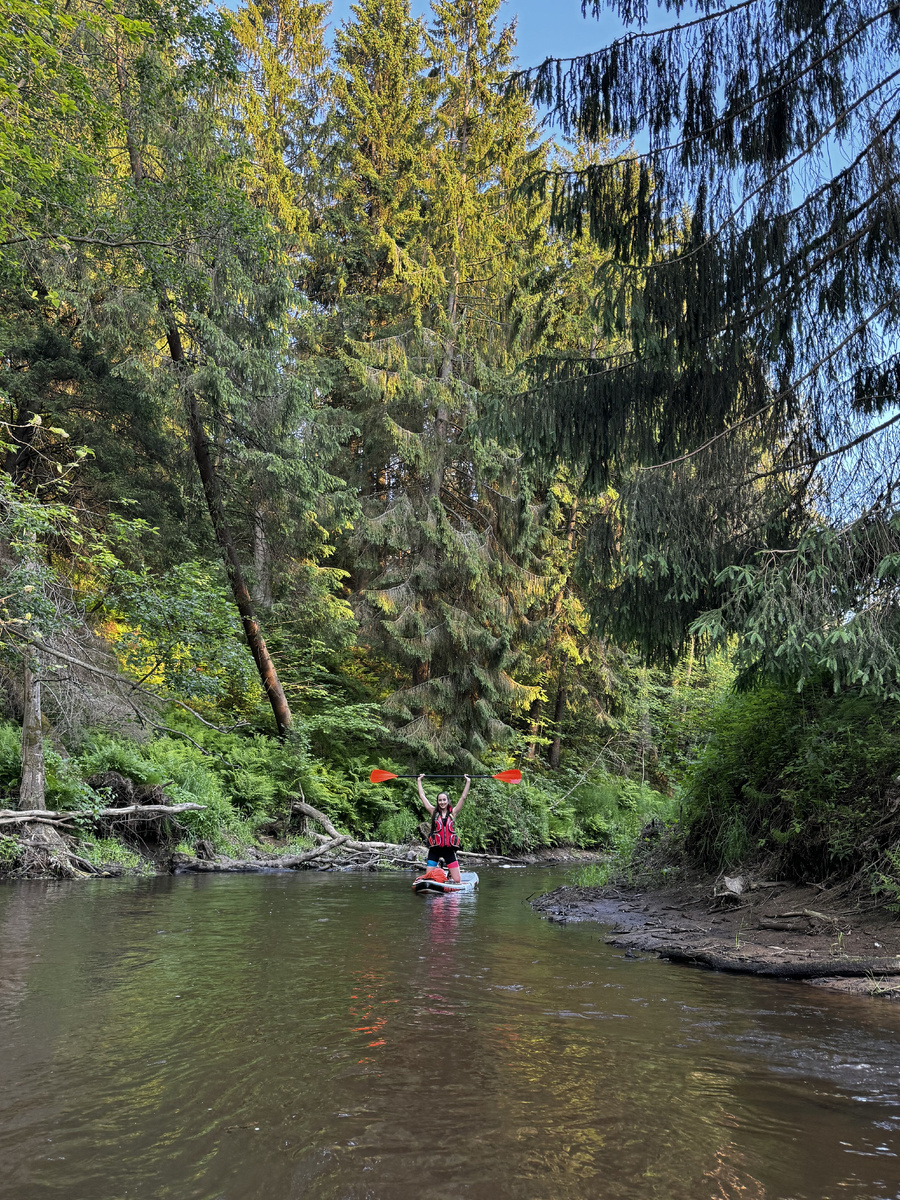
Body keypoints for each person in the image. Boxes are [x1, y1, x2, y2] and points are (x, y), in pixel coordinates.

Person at [416, 773, 470, 883]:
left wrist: (468, 781)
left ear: (448, 801)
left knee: (457, 880)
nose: (442, 802)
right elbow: (422, 796)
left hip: (449, 850)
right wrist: (419, 780)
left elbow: (463, 797)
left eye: (444, 800)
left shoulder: (453, 813)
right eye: (440, 800)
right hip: (435, 849)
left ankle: (448, 876)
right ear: (437, 802)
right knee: (428, 878)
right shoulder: (433, 812)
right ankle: (440, 875)